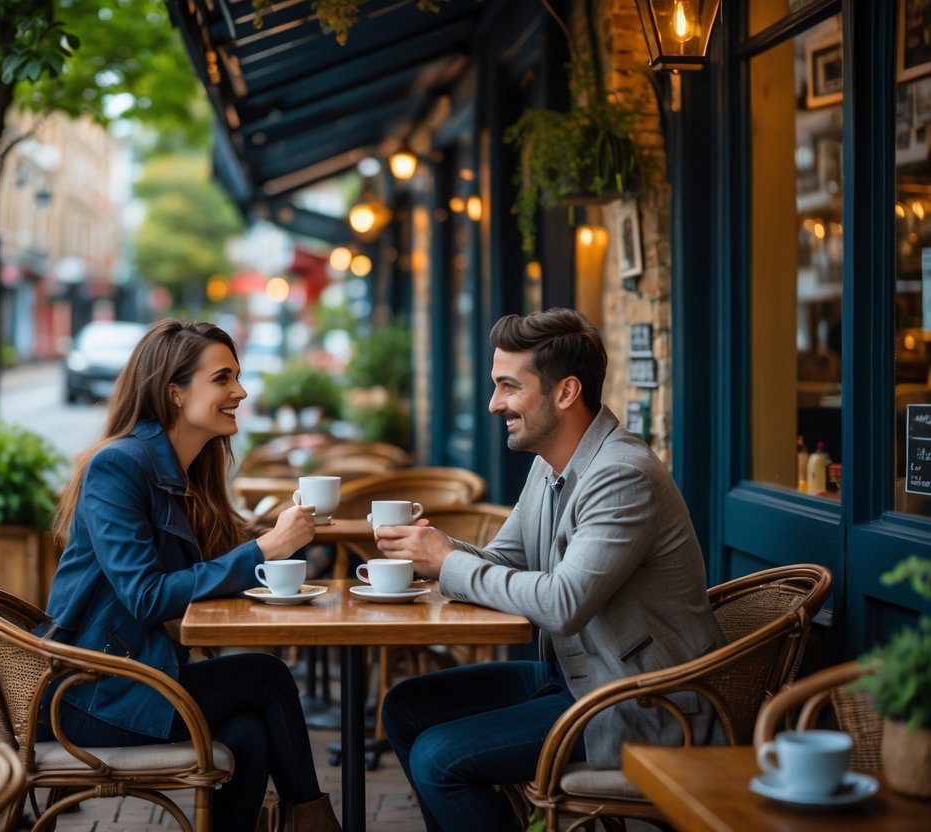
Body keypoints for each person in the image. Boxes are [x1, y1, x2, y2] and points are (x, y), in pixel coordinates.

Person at [374, 308, 727, 830]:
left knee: (438, 757)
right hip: (575, 679)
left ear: (565, 393)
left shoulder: (621, 475)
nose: (495, 404)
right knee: (405, 706)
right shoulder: (551, 463)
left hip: (638, 700)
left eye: (508, 387)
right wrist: (434, 547)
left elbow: (563, 604)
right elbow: (503, 562)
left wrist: (446, 563)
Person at [40, 320, 341, 832]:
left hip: (139, 678)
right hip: (93, 694)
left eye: (237, 378)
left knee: (247, 731)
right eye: (223, 379)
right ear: (175, 393)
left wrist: (277, 536)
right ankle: (314, 822)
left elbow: (216, 562)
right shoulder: (118, 467)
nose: (241, 392)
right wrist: (267, 548)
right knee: (266, 677)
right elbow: (148, 597)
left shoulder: (181, 469)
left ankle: (306, 820)